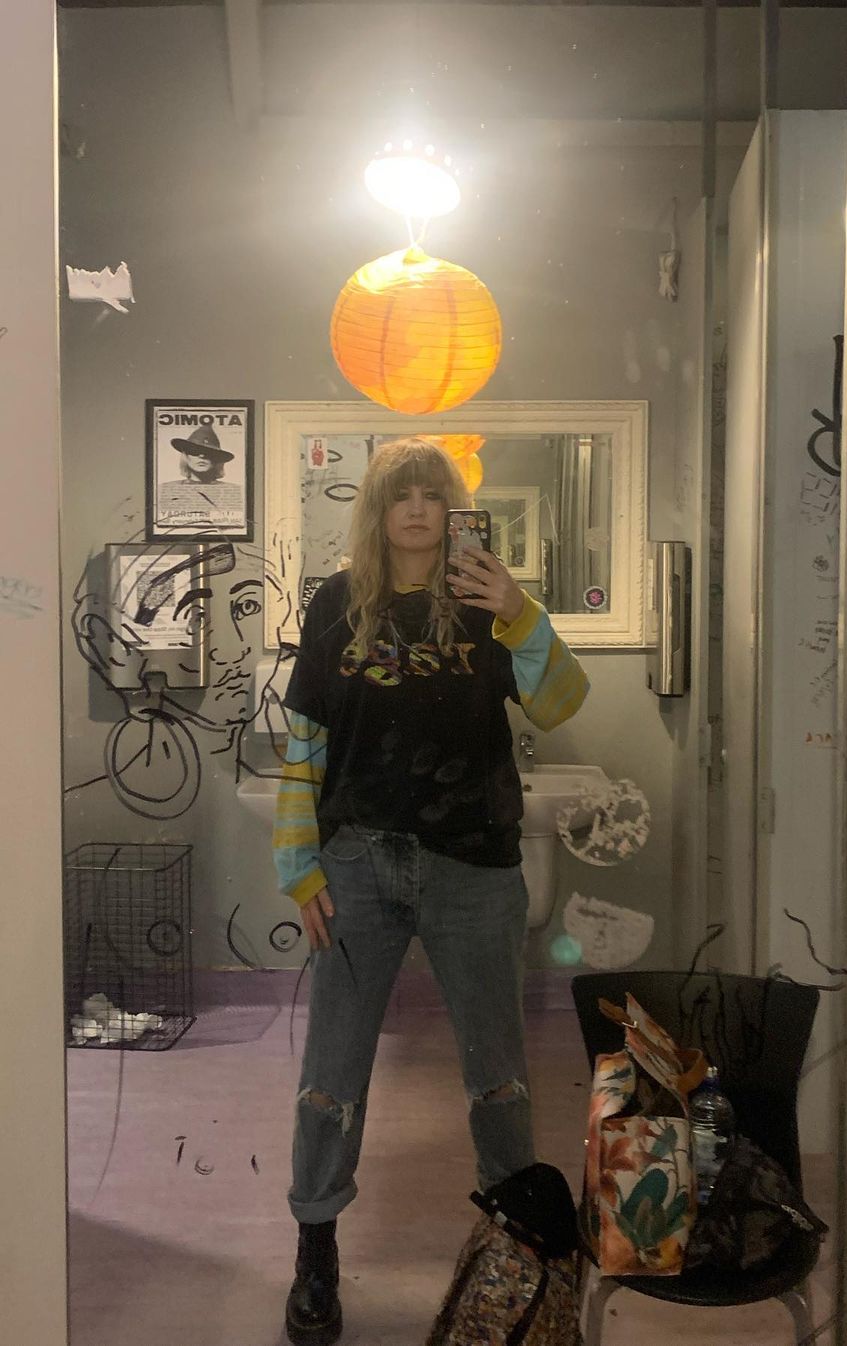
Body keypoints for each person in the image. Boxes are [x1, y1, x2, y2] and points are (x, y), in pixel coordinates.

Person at [272, 437, 589, 1346]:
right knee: (331, 1074)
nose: (416, 507)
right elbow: (305, 743)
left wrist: (521, 613)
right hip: (358, 865)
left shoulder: (491, 602)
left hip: (473, 866)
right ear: (377, 510)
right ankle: (316, 1248)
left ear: (456, 510)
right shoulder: (337, 604)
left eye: (431, 493)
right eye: (399, 493)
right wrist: (299, 867)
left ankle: (515, 1258)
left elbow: (561, 703)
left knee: (499, 1075)